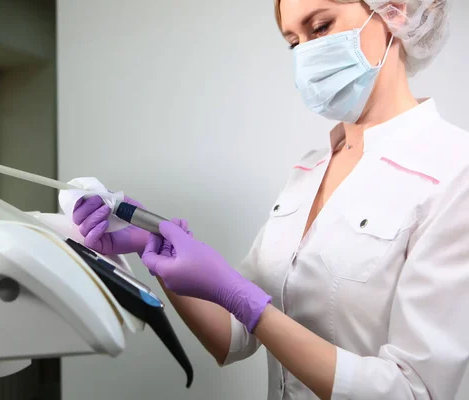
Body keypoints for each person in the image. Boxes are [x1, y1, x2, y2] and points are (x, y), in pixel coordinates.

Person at [72, 0, 469, 398]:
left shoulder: (455, 172)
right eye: (294, 42)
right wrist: (152, 242)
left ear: (395, 11)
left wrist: (249, 303)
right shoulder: (308, 172)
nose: (308, 54)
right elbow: (233, 337)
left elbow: (416, 391)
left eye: (320, 26)